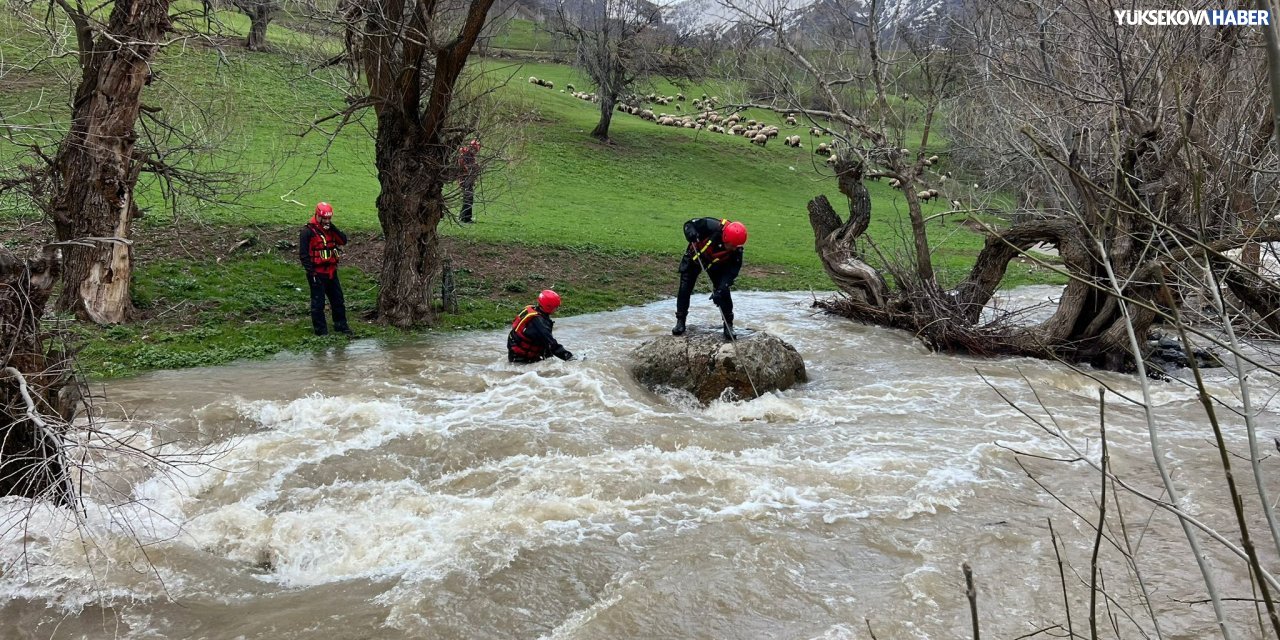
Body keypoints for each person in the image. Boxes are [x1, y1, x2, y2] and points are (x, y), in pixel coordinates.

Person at [673, 217, 748, 340]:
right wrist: (690, 233)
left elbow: (731, 272)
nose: (734, 249)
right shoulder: (710, 225)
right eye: (732, 245)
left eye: (737, 246)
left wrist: (720, 290)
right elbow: (688, 225)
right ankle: (680, 321)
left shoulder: (737, 249)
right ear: (725, 238)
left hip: (716, 264)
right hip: (694, 257)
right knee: (685, 288)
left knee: (723, 292)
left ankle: (728, 325)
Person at [299, 201, 351, 336]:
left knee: (338, 300)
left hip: (331, 272)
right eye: (324, 218)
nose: (327, 221)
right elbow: (303, 254)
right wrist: (311, 272)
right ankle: (321, 332)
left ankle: (341, 326)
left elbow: (343, 240)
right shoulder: (307, 232)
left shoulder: (331, 230)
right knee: (318, 304)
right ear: (317, 216)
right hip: (317, 273)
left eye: (329, 218)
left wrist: (333, 227)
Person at [507, 289, 574, 363]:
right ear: (548, 307)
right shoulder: (539, 323)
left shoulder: (533, 310)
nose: (557, 309)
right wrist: (569, 358)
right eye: (556, 307)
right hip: (521, 358)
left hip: (515, 352)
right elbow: (551, 345)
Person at [458, 138, 480, 223]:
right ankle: (465, 218)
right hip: (465, 179)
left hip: (468, 179)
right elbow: (467, 168)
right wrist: (475, 167)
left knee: (469, 198)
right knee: (468, 198)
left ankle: (465, 217)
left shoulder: (470, 156)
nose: (475, 152)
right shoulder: (466, 155)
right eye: (475, 149)